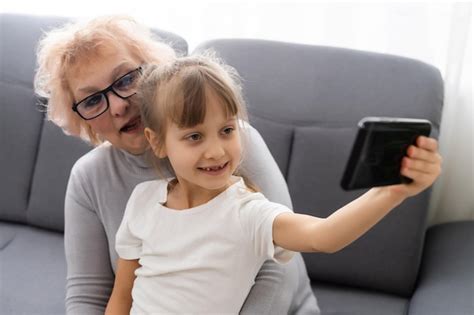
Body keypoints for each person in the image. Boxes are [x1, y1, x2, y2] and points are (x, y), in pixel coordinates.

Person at [105, 55, 442, 314]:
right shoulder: (143, 200)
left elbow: (323, 236)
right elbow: (122, 296)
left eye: (227, 130)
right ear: (158, 141)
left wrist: (392, 192)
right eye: (194, 136)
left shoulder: (247, 213)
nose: (216, 150)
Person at [34, 16, 319, 314]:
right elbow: (88, 298)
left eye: (126, 79)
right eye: (92, 100)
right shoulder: (88, 177)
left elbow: (277, 269)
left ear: (155, 72)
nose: (119, 106)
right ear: (81, 119)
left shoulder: (231, 144)